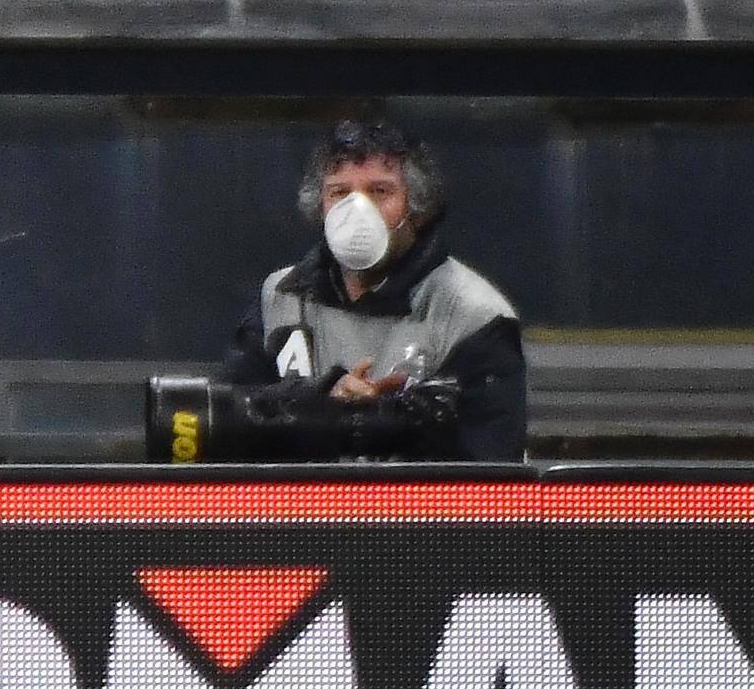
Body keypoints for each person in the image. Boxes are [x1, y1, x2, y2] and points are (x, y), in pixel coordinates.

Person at [220, 118, 526, 462]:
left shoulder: (475, 314)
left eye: (379, 192)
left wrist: (389, 422)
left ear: (417, 206)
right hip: (297, 513)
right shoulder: (278, 297)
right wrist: (319, 407)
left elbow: (491, 468)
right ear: (320, 204)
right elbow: (225, 425)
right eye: (339, 192)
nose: (357, 211)